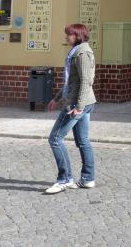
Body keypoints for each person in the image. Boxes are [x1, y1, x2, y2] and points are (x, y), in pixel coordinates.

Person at [45, 23, 97, 194]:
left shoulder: (82, 53)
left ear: (78, 35)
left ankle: (65, 179)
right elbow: (71, 82)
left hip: (78, 103)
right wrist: (57, 98)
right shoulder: (76, 52)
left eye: (70, 34)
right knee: (83, 141)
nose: (67, 37)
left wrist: (79, 107)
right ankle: (88, 179)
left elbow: (85, 81)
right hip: (81, 102)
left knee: (55, 139)